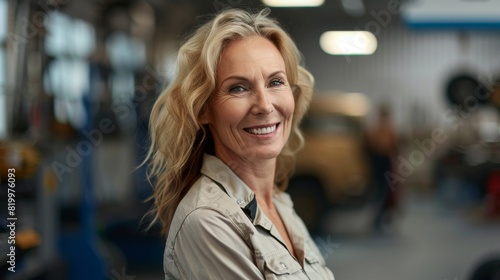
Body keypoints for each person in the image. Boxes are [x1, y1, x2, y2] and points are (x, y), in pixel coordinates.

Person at [144, 8, 335, 279]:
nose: (265, 105)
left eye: (276, 82)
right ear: (202, 109)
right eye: (238, 88)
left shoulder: (280, 205)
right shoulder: (208, 221)